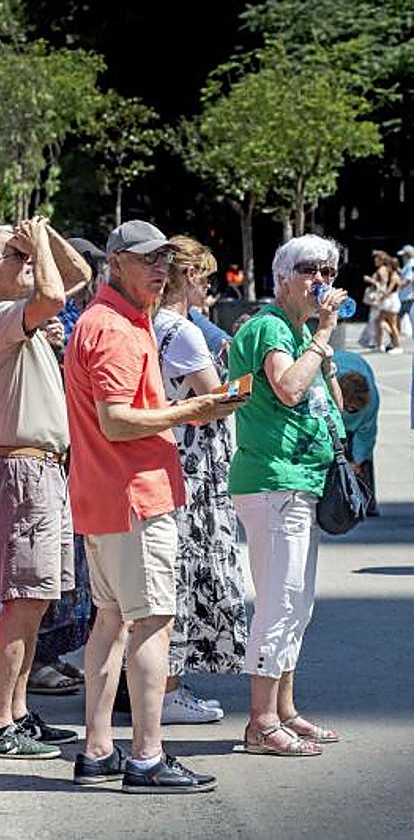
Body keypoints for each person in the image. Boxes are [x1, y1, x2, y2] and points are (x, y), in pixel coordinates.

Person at [65, 219, 236, 793]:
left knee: (113, 620)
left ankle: (98, 750)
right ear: (116, 262)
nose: (160, 269)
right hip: (132, 496)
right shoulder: (114, 327)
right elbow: (116, 421)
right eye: (147, 260)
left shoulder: (115, 320)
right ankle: (146, 756)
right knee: (151, 622)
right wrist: (191, 411)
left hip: (109, 497)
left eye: (165, 259)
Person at [0, 219, 84, 759]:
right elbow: (58, 294)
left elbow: (77, 272)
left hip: (43, 467)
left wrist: (43, 233)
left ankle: (15, 711)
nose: (30, 262)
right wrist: (35, 243)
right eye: (17, 256)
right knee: (22, 599)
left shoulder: (16, 314)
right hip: (22, 468)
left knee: (36, 600)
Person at [229, 234, 349, 757]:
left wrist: (323, 346)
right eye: (307, 268)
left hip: (303, 482)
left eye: (328, 268)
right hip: (272, 481)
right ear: (281, 276)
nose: (319, 277)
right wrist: (323, 334)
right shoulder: (270, 327)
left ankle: (284, 710)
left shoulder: (300, 332)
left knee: (298, 605)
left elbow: (330, 401)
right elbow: (287, 389)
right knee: (278, 603)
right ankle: (260, 722)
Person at [152, 235, 247, 722]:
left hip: (170, 454)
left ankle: (161, 687)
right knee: (183, 579)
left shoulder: (151, 324)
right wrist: (242, 381)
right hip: (193, 463)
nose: (209, 287)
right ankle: (167, 690)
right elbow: (214, 400)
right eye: (205, 277)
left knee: (166, 578)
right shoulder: (184, 332)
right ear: (187, 278)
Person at [333, 349, 379, 516]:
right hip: (335, 371)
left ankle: (367, 502)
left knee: (363, 457)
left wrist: (357, 461)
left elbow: (367, 435)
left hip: (357, 367)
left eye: (354, 409)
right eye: (348, 408)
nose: (350, 411)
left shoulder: (372, 401)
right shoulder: (326, 386)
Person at [364, 250, 402, 353]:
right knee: (383, 321)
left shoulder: (394, 276)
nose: (387, 267)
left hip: (392, 301)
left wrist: (379, 297)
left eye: (388, 265)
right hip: (391, 300)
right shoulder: (394, 275)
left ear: (392, 266)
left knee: (391, 324)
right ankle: (387, 343)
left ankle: (397, 345)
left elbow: (388, 291)